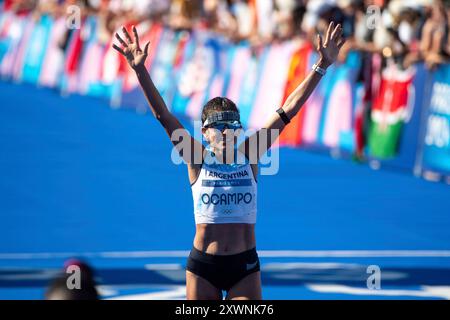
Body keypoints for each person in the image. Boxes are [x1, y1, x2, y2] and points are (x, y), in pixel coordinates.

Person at [112, 21, 345, 300]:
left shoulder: (251, 153)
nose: (226, 133)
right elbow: (163, 115)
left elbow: (288, 110)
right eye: (218, 127)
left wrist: (321, 67)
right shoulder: (195, 157)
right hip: (203, 267)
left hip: (244, 266)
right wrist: (140, 70)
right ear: (204, 132)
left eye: (232, 126)